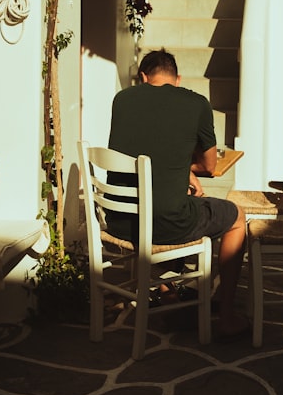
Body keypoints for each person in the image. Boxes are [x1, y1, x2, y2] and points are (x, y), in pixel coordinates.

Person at [107, 48, 250, 341]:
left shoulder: (122, 99)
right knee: (236, 217)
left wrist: (183, 171)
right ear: (178, 78)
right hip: (166, 223)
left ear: (142, 77)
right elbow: (210, 165)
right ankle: (225, 317)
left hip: (120, 220)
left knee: (166, 201)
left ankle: (168, 296)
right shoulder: (195, 103)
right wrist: (190, 168)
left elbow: (142, 151)